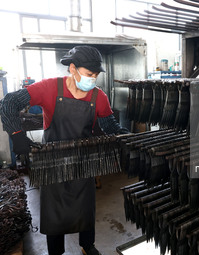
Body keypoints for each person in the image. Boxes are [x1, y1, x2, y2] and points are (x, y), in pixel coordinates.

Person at [0, 45, 129, 255]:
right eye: (89, 74)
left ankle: (87, 245)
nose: (92, 79)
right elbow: (8, 103)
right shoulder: (49, 88)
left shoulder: (98, 97)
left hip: (83, 160)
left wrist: (125, 136)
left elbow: (110, 126)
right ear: (72, 69)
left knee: (85, 206)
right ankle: (56, 251)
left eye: (95, 75)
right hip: (52, 160)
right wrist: (17, 135)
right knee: (55, 211)